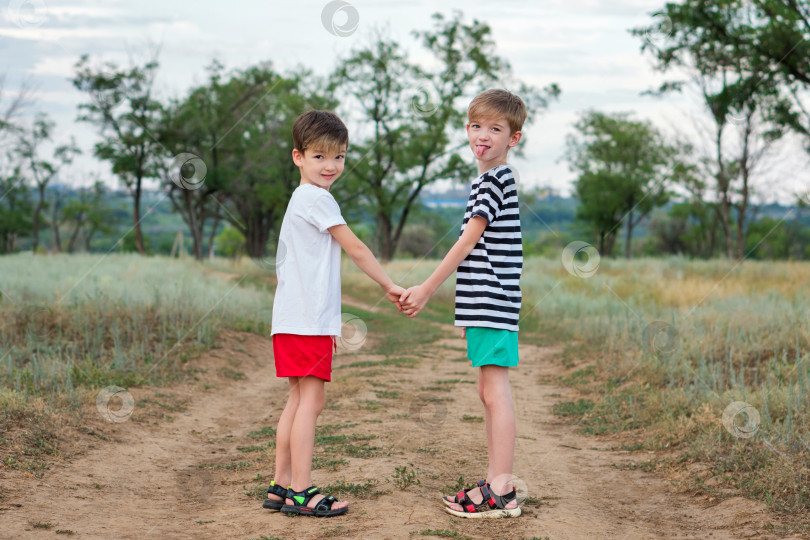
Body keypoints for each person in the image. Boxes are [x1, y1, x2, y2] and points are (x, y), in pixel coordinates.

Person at [263, 110, 404, 517]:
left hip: (294, 320)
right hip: (305, 322)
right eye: (320, 156)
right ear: (298, 157)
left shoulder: (300, 199)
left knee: (297, 398)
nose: (331, 166)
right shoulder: (316, 198)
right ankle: (302, 491)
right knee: (312, 402)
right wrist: (388, 285)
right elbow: (355, 247)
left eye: (339, 157)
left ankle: (281, 485)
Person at [400, 89, 525, 518]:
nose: (483, 135)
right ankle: (494, 481)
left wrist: (427, 287)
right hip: (485, 304)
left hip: (493, 302)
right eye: (476, 126)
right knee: (487, 391)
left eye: (495, 128)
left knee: (495, 391)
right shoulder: (486, 181)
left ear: (514, 138)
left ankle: (502, 487)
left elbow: (468, 240)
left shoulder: (494, 180)